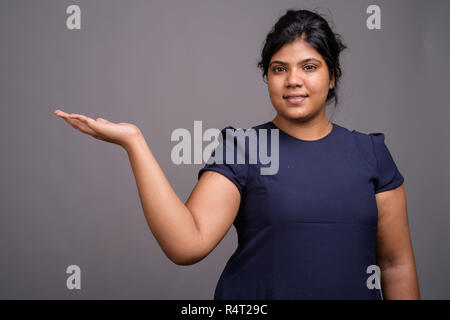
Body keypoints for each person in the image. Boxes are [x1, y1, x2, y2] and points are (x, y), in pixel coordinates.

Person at [53, 8, 420, 300]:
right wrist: (134, 142)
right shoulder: (243, 148)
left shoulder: (371, 153)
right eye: (280, 69)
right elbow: (186, 244)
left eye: (309, 67)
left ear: (332, 75)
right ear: (268, 77)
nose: (293, 80)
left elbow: (394, 263)